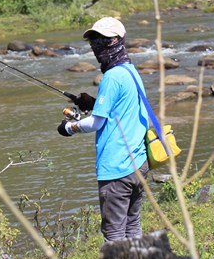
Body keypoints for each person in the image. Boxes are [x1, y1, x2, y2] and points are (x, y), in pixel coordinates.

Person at [57, 17, 149, 242]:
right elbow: (121, 107)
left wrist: (69, 128)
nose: (98, 45)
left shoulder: (111, 77)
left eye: (104, 39)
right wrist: (94, 103)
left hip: (117, 168)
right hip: (138, 164)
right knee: (132, 226)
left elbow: (96, 123)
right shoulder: (129, 70)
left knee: (114, 234)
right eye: (94, 40)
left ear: (118, 40)